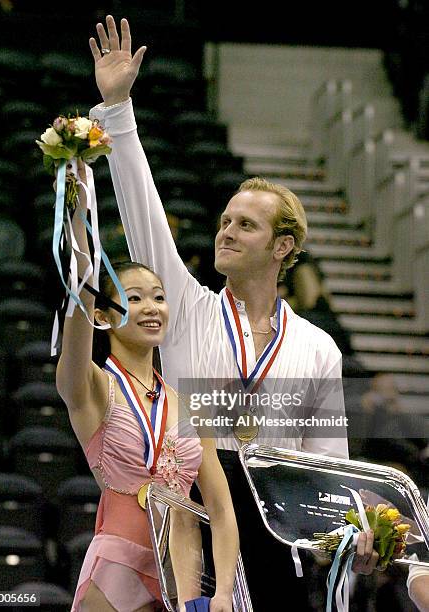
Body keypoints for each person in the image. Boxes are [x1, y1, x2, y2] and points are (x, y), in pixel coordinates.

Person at [88, 16, 377, 610]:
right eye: (225, 220)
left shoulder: (318, 347)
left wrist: (354, 530)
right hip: (193, 522)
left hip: (277, 540)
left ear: (282, 248)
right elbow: (143, 211)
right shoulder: (189, 310)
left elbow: (327, 464)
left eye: (246, 224)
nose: (227, 231)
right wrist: (118, 109)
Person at [56, 161, 239, 612]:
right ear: (104, 316)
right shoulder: (93, 388)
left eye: (158, 295)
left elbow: (221, 508)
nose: (151, 306)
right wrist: (81, 225)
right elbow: (81, 298)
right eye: (134, 298)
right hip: (118, 568)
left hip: (183, 578)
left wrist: (222, 594)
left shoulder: (189, 403)